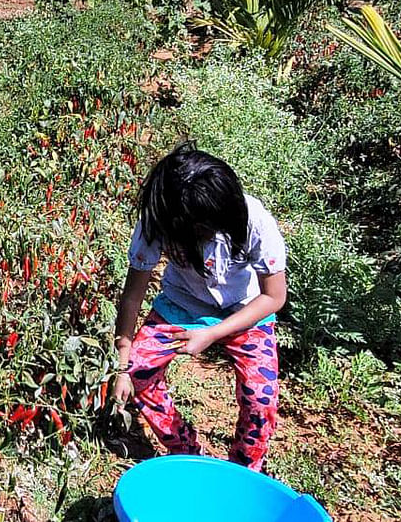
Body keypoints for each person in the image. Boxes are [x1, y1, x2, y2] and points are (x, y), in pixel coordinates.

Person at [110, 142, 287, 472]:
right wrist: (123, 367)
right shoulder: (158, 221)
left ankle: (245, 471)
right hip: (181, 305)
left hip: (246, 309)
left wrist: (212, 333)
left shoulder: (254, 221)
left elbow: (274, 297)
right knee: (140, 370)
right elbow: (132, 296)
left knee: (260, 400)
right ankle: (188, 453)